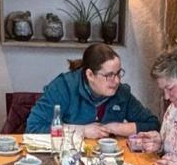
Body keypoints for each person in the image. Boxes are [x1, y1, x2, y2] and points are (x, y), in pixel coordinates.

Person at [24, 43, 159, 137]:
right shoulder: (63, 87)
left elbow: (152, 124)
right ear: (90, 75)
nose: (117, 81)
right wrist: (81, 131)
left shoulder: (121, 93)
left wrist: (117, 127)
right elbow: (34, 128)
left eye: (118, 73)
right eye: (109, 75)